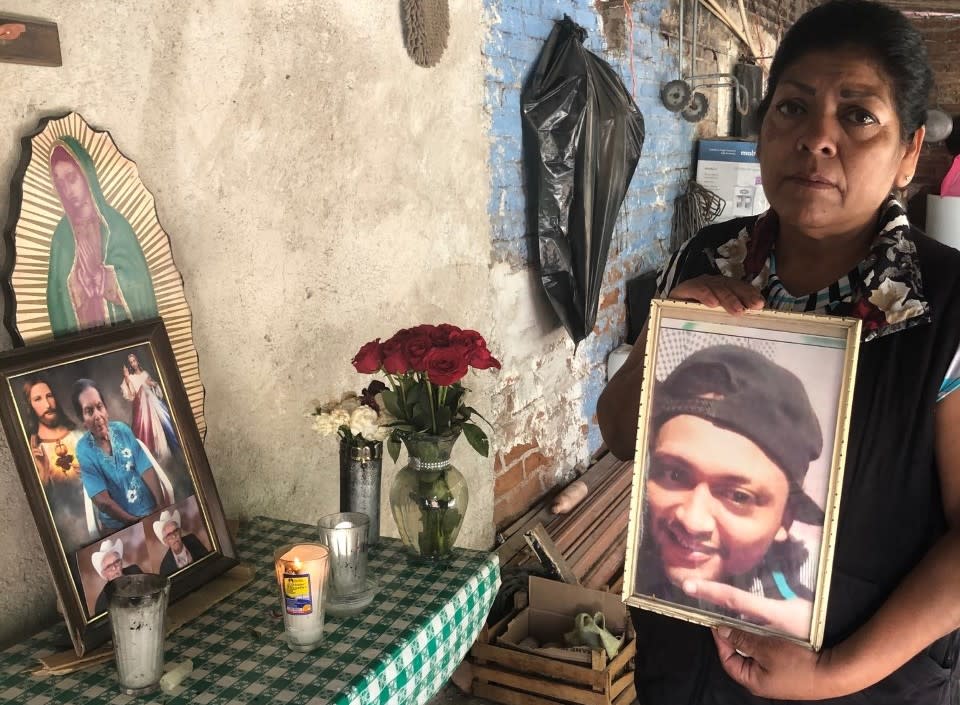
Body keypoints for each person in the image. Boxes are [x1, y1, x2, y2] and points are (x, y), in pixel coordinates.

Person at [597, 1, 960, 702]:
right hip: (691, 663)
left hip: (869, 677)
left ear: (909, 152)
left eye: (857, 116)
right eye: (792, 108)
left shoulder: (945, 307)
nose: (816, 138)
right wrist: (668, 332)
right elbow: (619, 434)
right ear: (763, 129)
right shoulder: (709, 257)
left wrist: (833, 673)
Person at [638, 345, 822, 640]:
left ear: (785, 520)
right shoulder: (634, 547)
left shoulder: (809, 600)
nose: (693, 520)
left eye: (738, 496)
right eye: (674, 474)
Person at [46, 136, 158, 336]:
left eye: (71, 178)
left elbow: (140, 285)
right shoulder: (61, 237)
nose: (66, 189)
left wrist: (105, 278)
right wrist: (76, 285)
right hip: (86, 343)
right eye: (59, 182)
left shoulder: (116, 226)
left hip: (122, 335)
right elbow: (57, 299)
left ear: (86, 175)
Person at [73, 378, 163, 531]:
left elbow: (146, 467)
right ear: (83, 421)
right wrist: (134, 521)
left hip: (149, 508)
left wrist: (160, 507)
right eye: (89, 411)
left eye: (99, 407)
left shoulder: (122, 429)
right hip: (121, 524)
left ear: (106, 409)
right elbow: (102, 501)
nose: (97, 415)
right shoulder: (83, 450)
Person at [21, 377, 92, 550]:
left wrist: (92, 472)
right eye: (38, 399)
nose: (48, 404)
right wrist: (44, 471)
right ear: (29, 406)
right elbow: (37, 506)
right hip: (68, 539)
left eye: (49, 396)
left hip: (100, 523)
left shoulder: (80, 436)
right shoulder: (31, 450)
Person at [120, 353, 179, 464]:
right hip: (143, 408)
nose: (133, 363)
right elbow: (131, 394)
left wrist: (152, 384)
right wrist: (127, 378)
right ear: (130, 365)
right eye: (131, 362)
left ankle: (166, 453)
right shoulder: (132, 378)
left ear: (137, 361)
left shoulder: (145, 373)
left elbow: (154, 387)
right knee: (149, 428)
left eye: (134, 361)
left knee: (164, 424)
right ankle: (156, 456)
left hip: (153, 403)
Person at [90, 538, 142, 615]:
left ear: (121, 563)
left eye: (116, 562)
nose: (114, 568)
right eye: (108, 567)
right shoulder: (102, 603)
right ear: (104, 574)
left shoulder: (135, 571)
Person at [152, 509, 208, 576]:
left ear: (180, 532)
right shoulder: (165, 568)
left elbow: (208, 562)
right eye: (169, 535)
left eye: (175, 531)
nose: (174, 536)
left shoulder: (192, 539)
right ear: (165, 542)